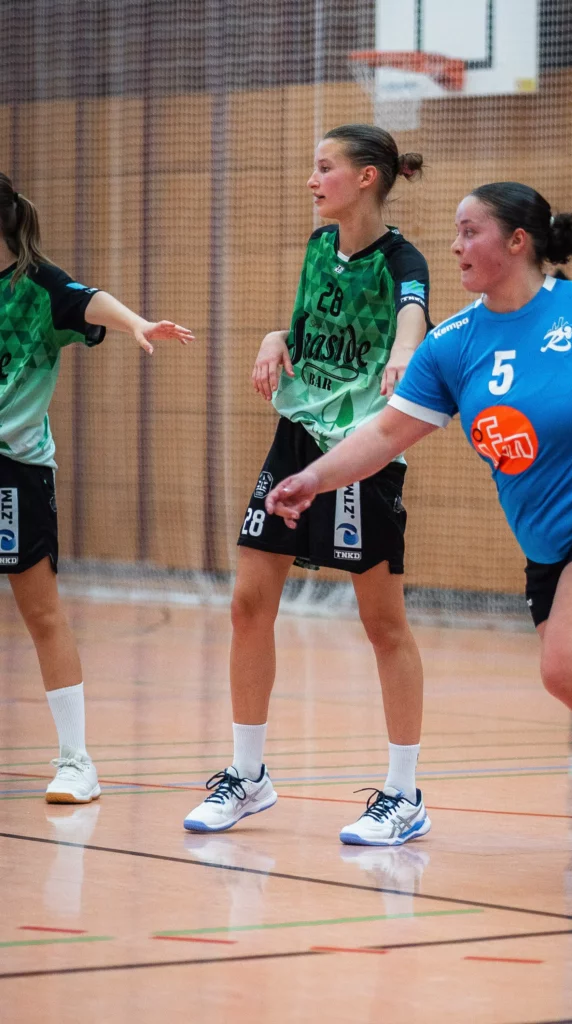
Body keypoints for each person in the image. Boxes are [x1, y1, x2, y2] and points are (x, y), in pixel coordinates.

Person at [266, 180, 572, 807]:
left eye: (470, 232)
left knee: (569, 671)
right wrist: (314, 478)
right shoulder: (453, 343)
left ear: (516, 241)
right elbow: (385, 433)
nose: (455, 247)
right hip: (547, 553)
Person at [184, 123, 433, 845]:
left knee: (382, 624)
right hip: (295, 438)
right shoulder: (320, 245)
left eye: (324, 167)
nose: (311, 180)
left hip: (359, 450)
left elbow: (413, 312)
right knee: (247, 604)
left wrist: (406, 352)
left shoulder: (402, 259)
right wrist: (274, 338)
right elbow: (306, 327)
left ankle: (404, 793)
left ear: (365, 178)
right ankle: (248, 776)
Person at [0, 173, 194, 802]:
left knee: (41, 612)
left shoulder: (37, 287)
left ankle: (75, 761)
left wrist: (138, 323)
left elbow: (90, 300)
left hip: (14, 471)